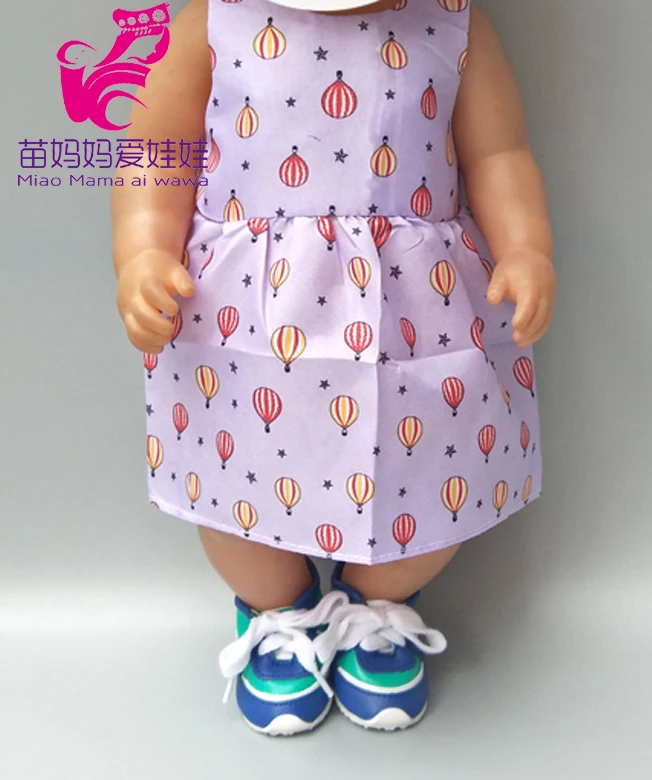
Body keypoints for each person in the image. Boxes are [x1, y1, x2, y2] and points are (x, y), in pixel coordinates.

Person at [110, 0, 555, 736]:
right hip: (243, 317)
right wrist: (143, 252)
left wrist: (526, 248)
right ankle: (274, 610)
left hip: (416, 311)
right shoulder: (212, 19)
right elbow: (158, 146)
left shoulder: (451, 22)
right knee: (239, 481)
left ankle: (380, 602)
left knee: (427, 474)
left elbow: (497, 155)